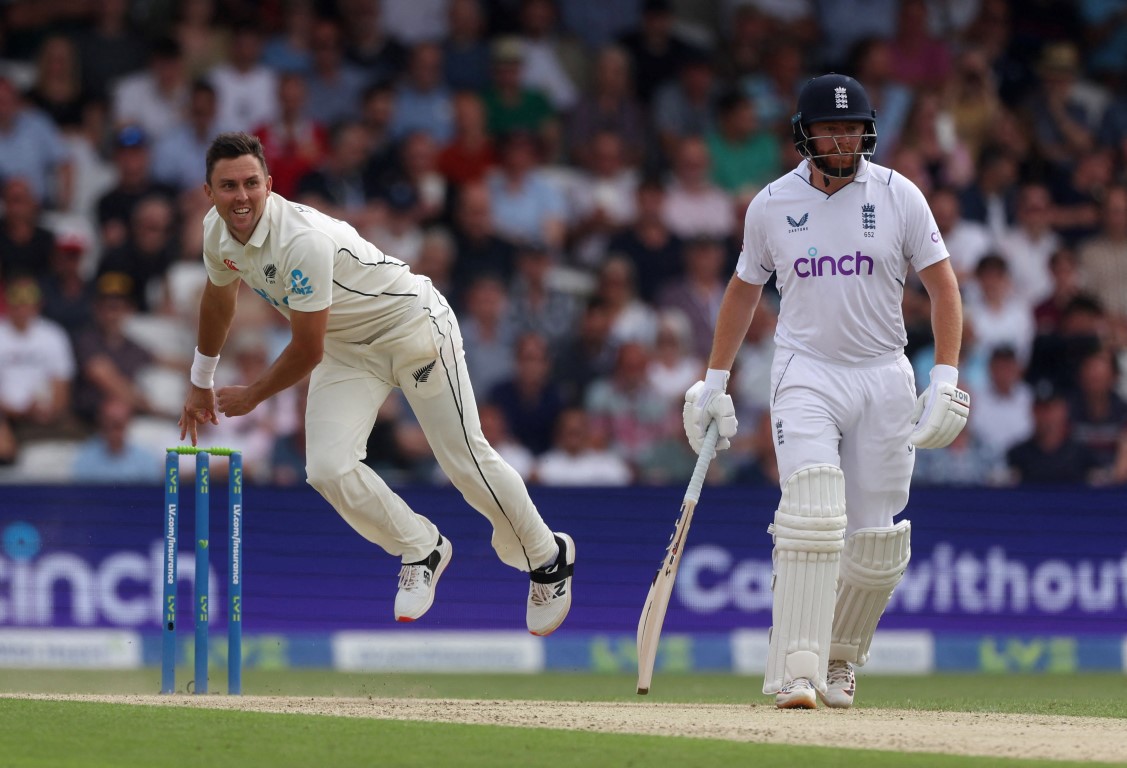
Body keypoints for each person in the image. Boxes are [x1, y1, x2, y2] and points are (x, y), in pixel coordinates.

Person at [178, 132, 574, 637]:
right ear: (208, 191)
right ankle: (421, 547)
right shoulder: (216, 232)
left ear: (269, 184)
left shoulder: (300, 239)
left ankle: (549, 558)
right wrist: (201, 380)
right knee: (326, 467)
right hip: (347, 349)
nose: (241, 196)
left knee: (464, 461)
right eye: (228, 186)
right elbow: (219, 300)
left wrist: (252, 395)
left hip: (411, 328)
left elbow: (306, 349)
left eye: (251, 183)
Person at [682, 74, 969, 710]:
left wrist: (944, 376)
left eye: (850, 126)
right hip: (806, 370)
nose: (840, 138)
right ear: (804, 134)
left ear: (866, 130)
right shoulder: (771, 205)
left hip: (884, 373)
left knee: (877, 541)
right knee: (811, 511)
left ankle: (839, 660)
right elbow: (743, 290)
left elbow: (944, 288)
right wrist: (713, 381)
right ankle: (794, 669)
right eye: (827, 127)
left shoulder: (900, 195)